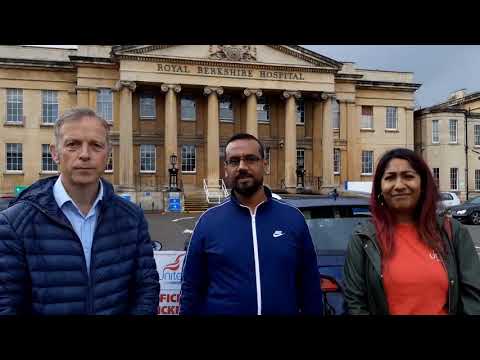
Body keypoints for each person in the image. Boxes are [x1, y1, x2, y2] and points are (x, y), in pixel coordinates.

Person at [0, 108, 160, 315]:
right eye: (73, 144)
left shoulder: (132, 217)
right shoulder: (15, 222)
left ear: (107, 155)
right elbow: (7, 304)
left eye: (95, 145)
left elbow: (146, 290)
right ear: (55, 153)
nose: (85, 155)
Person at [180, 133, 323, 315]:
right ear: (226, 169)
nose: (242, 167)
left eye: (250, 159)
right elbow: (191, 289)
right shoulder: (208, 221)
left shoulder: (293, 218)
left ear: (265, 164)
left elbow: (310, 287)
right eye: (234, 161)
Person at [343, 148, 480, 315]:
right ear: (380, 188)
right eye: (390, 178)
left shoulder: (453, 231)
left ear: (423, 184)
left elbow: (474, 298)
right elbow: (355, 304)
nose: (399, 185)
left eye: (408, 176)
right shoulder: (363, 238)